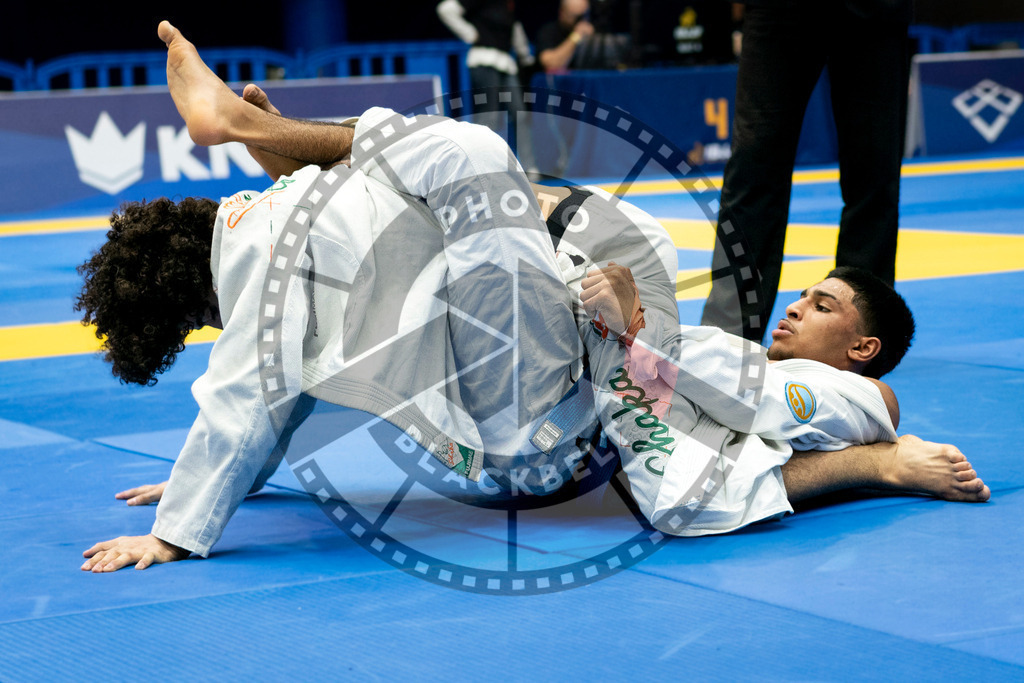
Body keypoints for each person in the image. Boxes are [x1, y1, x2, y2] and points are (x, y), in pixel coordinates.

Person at [80, 21, 986, 573]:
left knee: (465, 173)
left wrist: (195, 504)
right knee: (469, 161)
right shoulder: (264, 271)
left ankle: (261, 129)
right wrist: (186, 512)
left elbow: (254, 410)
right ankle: (261, 130)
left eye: (826, 308)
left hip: (543, 342)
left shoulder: (263, 278)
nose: (800, 307)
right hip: (528, 405)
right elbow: (248, 406)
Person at [700, 0, 912, 343]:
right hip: (779, 8)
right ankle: (728, 335)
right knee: (753, 168)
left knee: (874, 170)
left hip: (874, 10)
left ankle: (858, 332)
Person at [436, 0, 537, 174]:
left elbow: (514, 29)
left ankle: (529, 168)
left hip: (506, 64)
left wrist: (525, 55)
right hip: (484, 61)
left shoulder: (508, 5)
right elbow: (445, 9)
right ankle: (480, 168)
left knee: (520, 113)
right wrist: (470, 34)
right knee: (489, 116)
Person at [535, 0, 595, 73]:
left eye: (583, 16)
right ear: (562, 13)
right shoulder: (548, 32)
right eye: (575, 17)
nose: (580, 21)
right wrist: (576, 36)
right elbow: (550, 64)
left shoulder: (592, 30)